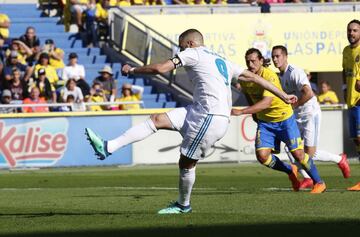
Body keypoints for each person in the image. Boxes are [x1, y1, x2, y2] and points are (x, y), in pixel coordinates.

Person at [85, 29, 297, 214]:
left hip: (210, 117)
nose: (180, 51)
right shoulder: (221, 59)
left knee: (186, 162)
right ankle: (108, 147)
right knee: (157, 120)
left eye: (180, 46)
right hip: (198, 110)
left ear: (189, 43)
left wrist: (132, 70)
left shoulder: (192, 53)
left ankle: (183, 205)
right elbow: (255, 78)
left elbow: (160, 69)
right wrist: (283, 94)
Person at [232, 48, 325, 194]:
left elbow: (267, 102)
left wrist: (242, 111)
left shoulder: (269, 76)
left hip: (284, 119)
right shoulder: (245, 79)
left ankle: (319, 182)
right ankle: (289, 170)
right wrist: (254, 114)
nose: (250, 64)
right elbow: (250, 96)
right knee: (262, 157)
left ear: (261, 61)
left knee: (299, 155)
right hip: (266, 123)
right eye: (248, 61)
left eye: (253, 61)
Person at [271, 45, 350, 190]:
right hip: (296, 116)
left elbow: (308, 94)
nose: (275, 59)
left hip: (309, 114)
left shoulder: (294, 72)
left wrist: (293, 106)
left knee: (309, 155)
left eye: (278, 56)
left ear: (285, 56)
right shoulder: (279, 76)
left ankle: (339, 159)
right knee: (291, 149)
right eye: (273, 56)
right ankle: (307, 178)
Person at [343, 19, 360, 191]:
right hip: (351, 102)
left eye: (355, 30)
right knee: (356, 140)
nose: (351, 33)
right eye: (349, 30)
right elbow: (344, 71)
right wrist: (344, 88)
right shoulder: (346, 51)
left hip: (359, 102)